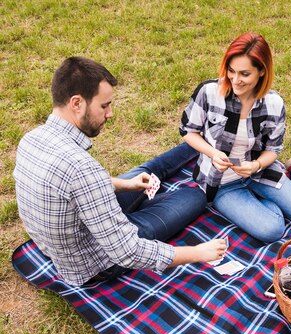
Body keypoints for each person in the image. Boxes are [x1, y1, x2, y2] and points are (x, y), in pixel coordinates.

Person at [13, 57, 227, 287]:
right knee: (194, 195)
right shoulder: (82, 169)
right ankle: (204, 157)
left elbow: (71, 187)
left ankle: (203, 141)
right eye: (104, 105)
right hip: (95, 260)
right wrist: (197, 252)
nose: (110, 113)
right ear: (76, 103)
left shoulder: (31, 139)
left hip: (67, 236)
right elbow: (128, 253)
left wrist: (126, 185)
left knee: (148, 172)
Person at [179, 33, 291, 242]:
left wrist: (256, 165)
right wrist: (212, 153)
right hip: (222, 182)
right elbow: (188, 131)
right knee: (272, 231)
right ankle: (271, 201)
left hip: (260, 172)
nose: (235, 80)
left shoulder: (274, 104)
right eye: (231, 71)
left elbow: (273, 150)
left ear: (261, 72)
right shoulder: (209, 92)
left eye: (244, 74)